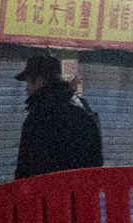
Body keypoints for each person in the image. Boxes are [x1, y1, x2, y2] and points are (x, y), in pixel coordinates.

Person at [13, 51, 103, 179]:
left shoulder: (39, 117)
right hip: (83, 192)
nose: (26, 89)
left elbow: (26, 168)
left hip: (49, 195)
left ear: (39, 81)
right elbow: (96, 159)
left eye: (28, 82)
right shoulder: (82, 106)